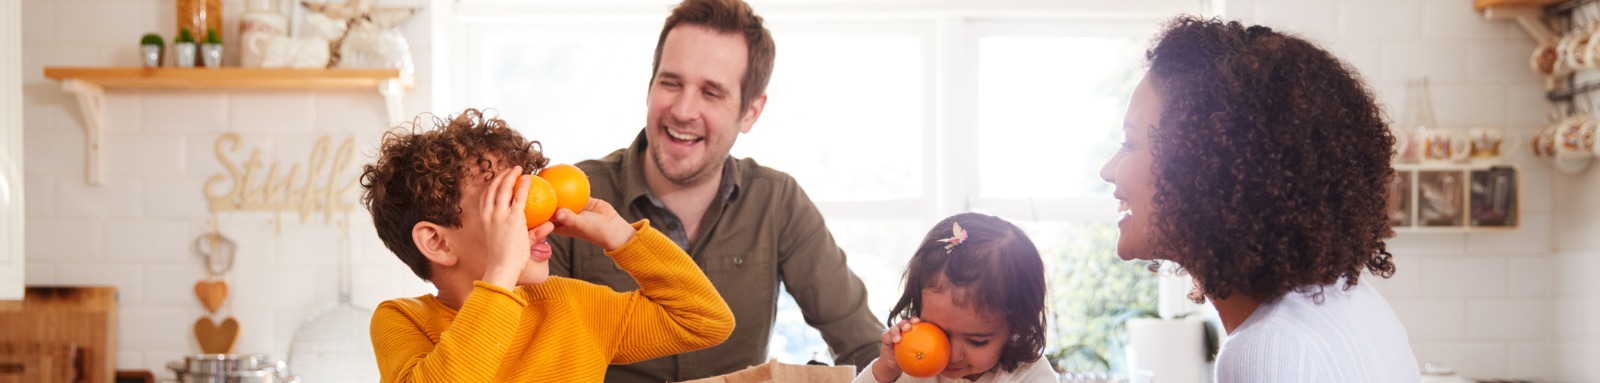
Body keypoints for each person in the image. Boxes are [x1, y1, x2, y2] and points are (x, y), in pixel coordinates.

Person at [546, 0, 884, 381]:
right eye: (671, 83)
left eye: (711, 92)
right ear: (650, 86)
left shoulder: (778, 202)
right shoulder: (571, 197)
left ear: (750, 112)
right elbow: (532, 348)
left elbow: (867, 347)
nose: (684, 110)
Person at [1099, 16, 1421, 382]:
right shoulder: (1355, 304)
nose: (1107, 170)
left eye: (1130, 142)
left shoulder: (1269, 348)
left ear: (1205, 165)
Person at [360, 109, 735, 383]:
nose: (539, 218)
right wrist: (502, 272)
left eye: (534, 193)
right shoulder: (402, 320)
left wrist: (623, 238)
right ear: (437, 241)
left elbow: (705, 321)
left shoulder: (572, 306)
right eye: (508, 202)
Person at [856, 212, 1056, 383]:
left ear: (1016, 326)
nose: (952, 354)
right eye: (938, 331)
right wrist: (885, 372)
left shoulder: (1030, 375)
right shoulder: (915, 363)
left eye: (977, 341)